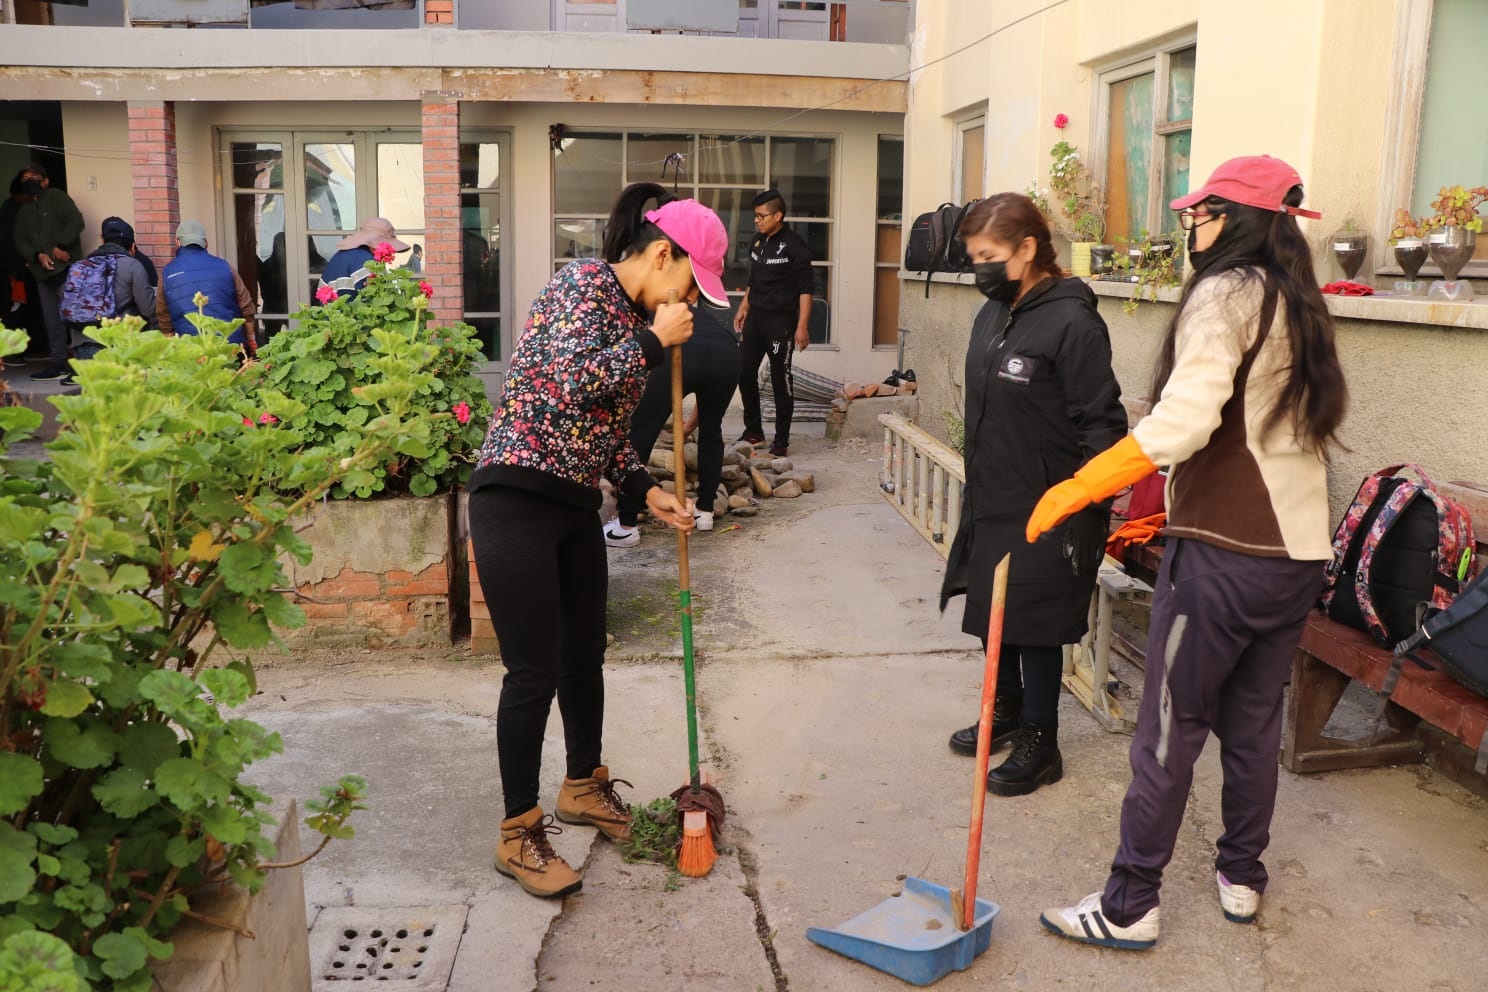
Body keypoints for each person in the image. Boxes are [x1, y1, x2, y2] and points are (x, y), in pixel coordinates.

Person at [1032, 155, 1346, 949]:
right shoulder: (1298, 298)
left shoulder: (1227, 290)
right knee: (1253, 725)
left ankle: (1130, 905)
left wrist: (1081, 486)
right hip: (1297, 557)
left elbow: (1183, 422)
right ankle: (1242, 876)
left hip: (1224, 554)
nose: (1189, 228)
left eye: (1198, 215)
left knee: (1170, 731)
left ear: (1232, 219)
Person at [467, 182, 728, 899]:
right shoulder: (581, 285)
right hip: (515, 498)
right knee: (533, 671)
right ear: (663, 254)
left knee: (584, 656)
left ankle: (582, 785)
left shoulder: (631, 317)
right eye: (691, 284)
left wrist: (646, 489)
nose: (690, 301)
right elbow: (570, 385)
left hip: (574, 503)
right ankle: (518, 832)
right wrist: (654, 342)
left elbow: (603, 430)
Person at [939, 192, 1127, 797]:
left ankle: (1042, 742)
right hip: (994, 491)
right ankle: (1007, 711)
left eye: (988, 256)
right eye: (974, 257)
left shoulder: (1073, 322)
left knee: (1037, 623)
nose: (980, 269)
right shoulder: (995, 312)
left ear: (1026, 249)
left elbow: (1102, 422)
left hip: (1052, 498)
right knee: (997, 613)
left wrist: (1088, 502)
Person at [605, 299, 741, 546]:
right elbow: (706, 391)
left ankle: (626, 525)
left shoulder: (645, 309)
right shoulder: (702, 317)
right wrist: (689, 427)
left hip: (680, 352)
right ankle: (705, 510)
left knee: (642, 430)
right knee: (712, 430)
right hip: (727, 356)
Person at [733, 189, 813, 457]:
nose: (757, 220)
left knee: (781, 379)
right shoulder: (757, 241)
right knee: (743, 371)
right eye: (755, 216)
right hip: (755, 318)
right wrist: (744, 307)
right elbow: (753, 281)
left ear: (778, 216)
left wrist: (802, 326)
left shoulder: (795, 246)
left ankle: (781, 441)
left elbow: (806, 289)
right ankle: (754, 431)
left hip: (781, 322)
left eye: (761, 216)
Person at [12, 162, 84, 382]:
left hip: (67, 271)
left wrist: (61, 246)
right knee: (52, 322)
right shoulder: (24, 210)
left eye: (34, 177)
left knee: (76, 318)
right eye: (25, 179)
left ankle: (82, 365)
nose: (29, 182)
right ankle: (58, 364)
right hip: (42, 274)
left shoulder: (56, 197)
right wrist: (37, 256)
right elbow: (19, 240)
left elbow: (76, 222)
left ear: (45, 181)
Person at [59, 216, 156, 375]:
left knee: (96, 388)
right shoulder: (133, 265)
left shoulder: (81, 266)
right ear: (133, 246)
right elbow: (148, 308)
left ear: (102, 240)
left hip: (83, 339)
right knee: (120, 387)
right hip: (119, 341)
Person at [158, 220, 258, 357]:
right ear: (205, 243)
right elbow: (247, 308)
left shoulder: (167, 273)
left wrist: (172, 351)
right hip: (230, 347)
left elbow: (164, 319)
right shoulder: (225, 267)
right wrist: (251, 340)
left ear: (178, 242)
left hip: (190, 351)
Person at [318, 217, 408, 301]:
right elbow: (374, 301)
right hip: (350, 313)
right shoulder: (367, 262)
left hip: (329, 311)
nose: (390, 252)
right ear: (376, 243)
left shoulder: (342, 254)